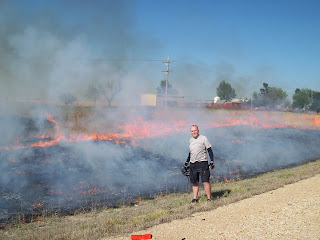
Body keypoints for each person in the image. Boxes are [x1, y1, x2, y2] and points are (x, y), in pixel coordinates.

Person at [184, 124, 214, 202]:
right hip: (193, 163)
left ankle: (209, 198)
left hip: (202, 162)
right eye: (192, 131)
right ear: (190, 132)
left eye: (195, 130)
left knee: (205, 181)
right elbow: (191, 153)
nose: (194, 132)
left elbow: (209, 150)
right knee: (194, 182)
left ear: (198, 130)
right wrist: (186, 163)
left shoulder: (203, 138)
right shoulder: (190, 140)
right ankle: (195, 198)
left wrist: (212, 161)